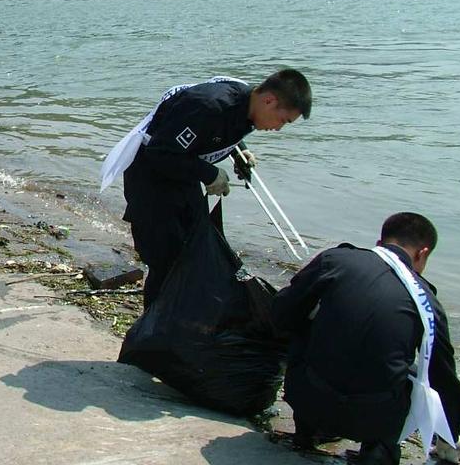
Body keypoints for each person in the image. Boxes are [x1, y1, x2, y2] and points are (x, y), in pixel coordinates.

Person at [273, 213, 460, 465]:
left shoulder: (335, 260)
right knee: (413, 375)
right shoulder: (427, 302)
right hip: (371, 418)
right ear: (422, 253)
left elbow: (280, 313)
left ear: (380, 243)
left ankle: (307, 431)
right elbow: (443, 378)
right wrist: (451, 433)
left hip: (309, 398)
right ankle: (379, 451)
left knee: (307, 323)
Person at [100, 69, 312, 306]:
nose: (279, 128)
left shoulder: (248, 105)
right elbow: (160, 152)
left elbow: (217, 131)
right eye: (283, 120)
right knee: (165, 262)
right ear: (269, 100)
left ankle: (183, 320)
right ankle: (152, 332)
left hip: (182, 174)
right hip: (150, 178)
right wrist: (209, 174)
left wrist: (238, 150)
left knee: (196, 247)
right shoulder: (209, 106)